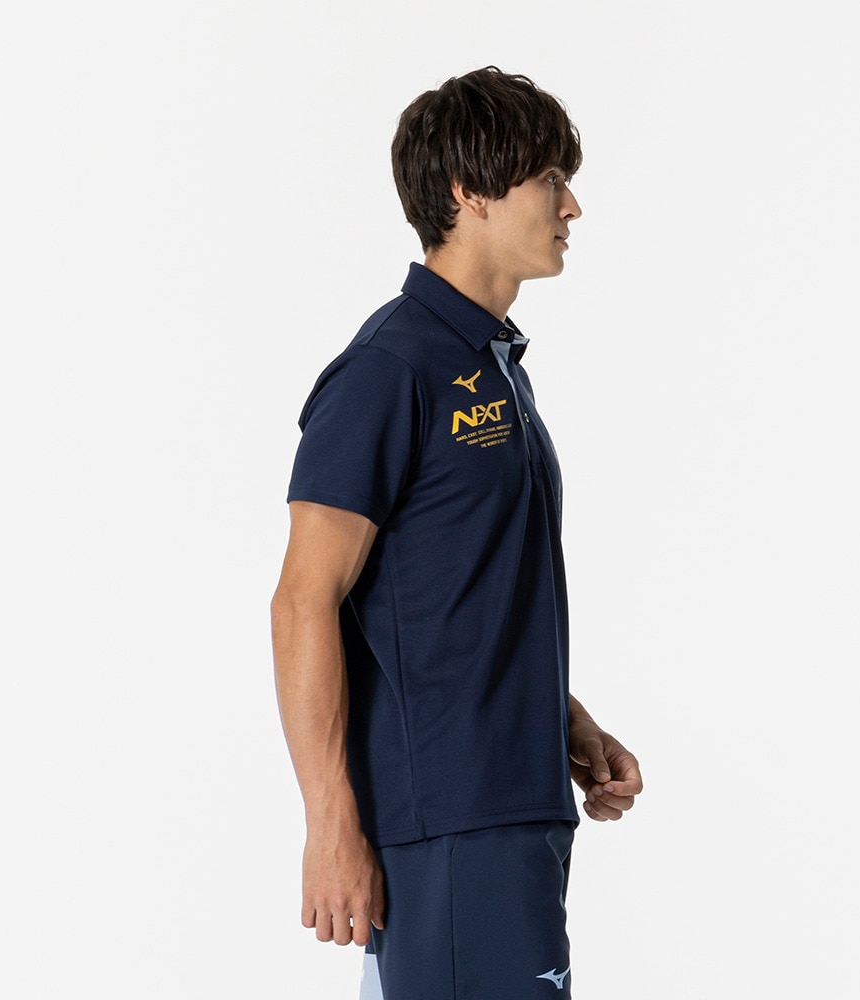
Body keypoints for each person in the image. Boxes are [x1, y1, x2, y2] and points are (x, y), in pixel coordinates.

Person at [271, 65, 643, 1000]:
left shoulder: (494, 367)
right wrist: (329, 823)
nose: (572, 206)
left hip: (513, 807)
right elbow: (303, 599)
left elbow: (455, 596)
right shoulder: (389, 369)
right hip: (448, 818)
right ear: (469, 191)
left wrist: (564, 719)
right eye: (550, 179)